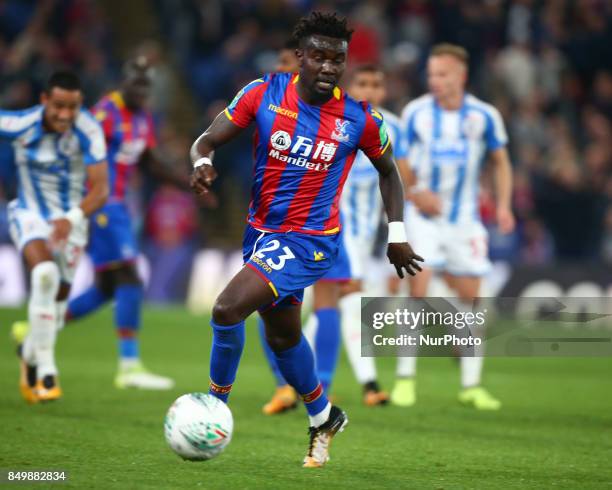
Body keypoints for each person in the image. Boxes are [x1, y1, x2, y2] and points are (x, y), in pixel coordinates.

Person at [190, 11, 422, 468]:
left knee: (227, 308)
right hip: (262, 234)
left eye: (338, 59)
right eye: (319, 56)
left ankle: (214, 407)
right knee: (283, 336)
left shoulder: (359, 120)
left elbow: (389, 172)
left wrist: (397, 232)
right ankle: (324, 415)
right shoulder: (262, 94)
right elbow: (206, 139)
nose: (330, 67)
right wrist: (200, 163)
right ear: (300, 57)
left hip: (311, 241)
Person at [391, 43, 515, 410]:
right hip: (424, 217)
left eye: (442, 74)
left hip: (465, 222)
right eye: (431, 74)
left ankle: (471, 385)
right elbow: (400, 159)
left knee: (471, 301)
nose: (435, 81)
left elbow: (501, 162)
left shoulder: (484, 116)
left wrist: (505, 206)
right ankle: (404, 379)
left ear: (460, 76)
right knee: (419, 288)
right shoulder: (415, 113)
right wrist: (415, 191)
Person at [64, 57, 186, 390]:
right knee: (131, 277)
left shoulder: (143, 117)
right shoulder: (104, 114)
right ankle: (129, 366)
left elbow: (149, 162)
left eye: (147, 86)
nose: (142, 91)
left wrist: (184, 182)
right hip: (102, 204)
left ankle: (39, 329)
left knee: (105, 289)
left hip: (119, 207)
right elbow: (74, 154)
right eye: (137, 83)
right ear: (123, 81)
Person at [2, 71, 109, 403]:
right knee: (44, 274)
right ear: (44, 100)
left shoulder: (89, 130)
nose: (65, 114)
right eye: (58, 106)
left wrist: (71, 218)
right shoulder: (20, 124)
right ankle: (46, 370)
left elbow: (100, 191)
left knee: (58, 310)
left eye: (73, 107)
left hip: (72, 220)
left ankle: (29, 350)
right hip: (30, 214)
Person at [335, 65, 405, 406]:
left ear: (384, 90)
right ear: (351, 86)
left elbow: (400, 182)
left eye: (376, 84)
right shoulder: (335, 121)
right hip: (334, 229)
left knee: (330, 307)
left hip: (365, 238)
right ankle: (370, 384)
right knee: (350, 302)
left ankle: (296, 380)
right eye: (362, 83)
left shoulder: (394, 128)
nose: (370, 90)